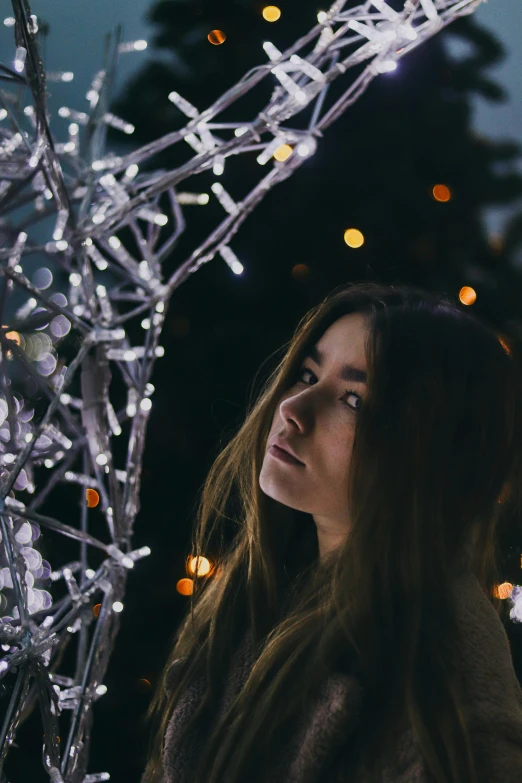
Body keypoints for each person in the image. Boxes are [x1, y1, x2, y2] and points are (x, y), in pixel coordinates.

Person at [140, 281, 522, 783]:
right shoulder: (266, 591)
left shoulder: (444, 692)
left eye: (354, 400)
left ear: (428, 452)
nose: (292, 409)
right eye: (306, 373)